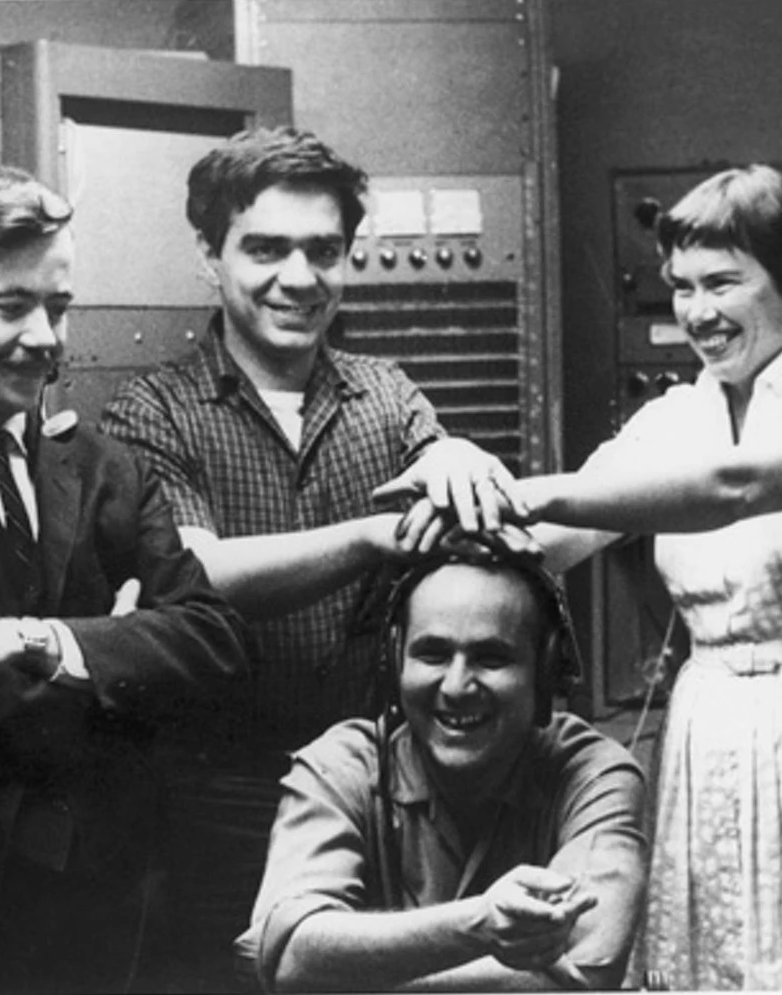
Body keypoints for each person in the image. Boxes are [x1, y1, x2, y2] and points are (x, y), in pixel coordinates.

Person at [382, 163, 782, 988]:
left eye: (722, 283)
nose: (696, 311)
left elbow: (732, 487)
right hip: (705, 725)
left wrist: (531, 489)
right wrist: (457, 473)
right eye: (681, 287)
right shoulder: (673, 417)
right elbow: (549, 540)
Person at [101, 125, 523, 990]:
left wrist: (458, 459)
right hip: (216, 808)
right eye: (265, 249)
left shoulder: (389, 397)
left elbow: (466, 547)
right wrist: (370, 537)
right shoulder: (151, 412)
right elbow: (194, 577)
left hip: (382, 800)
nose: (298, 278)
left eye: (322, 251)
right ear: (209, 256)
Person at [0, 160, 251, 994]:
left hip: (111, 904)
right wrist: (119, 650)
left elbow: (214, 642)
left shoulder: (106, 467)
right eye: (12, 306)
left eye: (59, 306)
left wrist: (53, 644)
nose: (45, 336)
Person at [236, 530, 648, 992]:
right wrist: (478, 925)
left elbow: (584, 970)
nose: (456, 686)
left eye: (491, 658)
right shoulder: (339, 767)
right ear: (395, 661)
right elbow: (291, 958)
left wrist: (354, 976)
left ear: (544, 670)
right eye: (432, 654)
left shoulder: (593, 772)